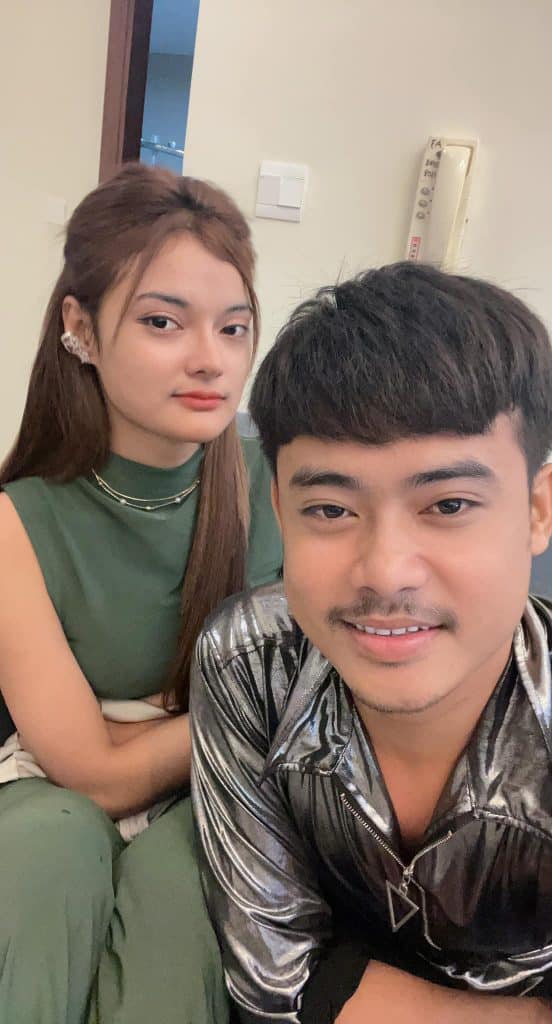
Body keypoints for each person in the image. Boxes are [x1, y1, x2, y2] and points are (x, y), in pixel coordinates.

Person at [190, 261, 552, 1024]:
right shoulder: (251, 662)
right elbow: (276, 977)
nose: (384, 571)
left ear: (538, 510)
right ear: (280, 509)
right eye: (331, 510)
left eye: (449, 505)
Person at [0, 163, 282, 1024]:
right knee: (45, 847)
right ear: (79, 328)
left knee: (182, 877)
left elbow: (309, 700)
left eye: (234, 328)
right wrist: (222, 715)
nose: (210, 359)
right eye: (164, 321)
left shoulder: (283, 483)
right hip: (52, 792)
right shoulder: (19, 519)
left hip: (232, 788)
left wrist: (132, 735)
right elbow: (88, 776)